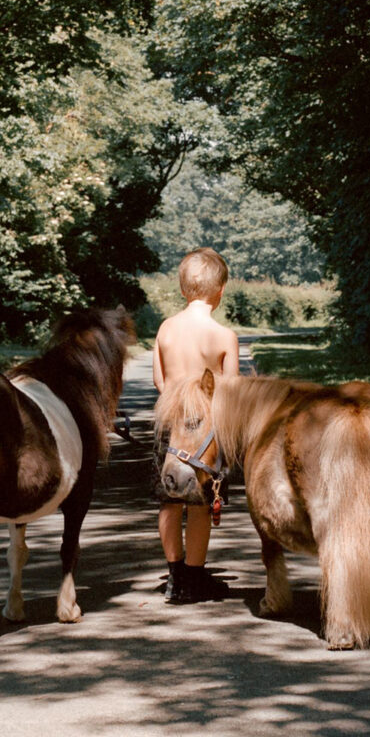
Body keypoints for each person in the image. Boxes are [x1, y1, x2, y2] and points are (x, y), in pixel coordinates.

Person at [153, 246, 239, 604]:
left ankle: (174, 578)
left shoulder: (167, 329)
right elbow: (231, 391)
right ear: (220, 291)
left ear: (183, 289)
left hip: (170, 426)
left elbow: (160, 381)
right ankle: (194, 578)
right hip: (205, 433)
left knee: (169, 501)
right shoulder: (224, 336)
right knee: (202, 503)